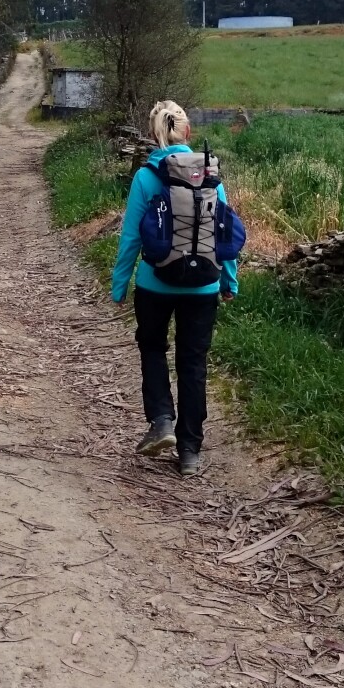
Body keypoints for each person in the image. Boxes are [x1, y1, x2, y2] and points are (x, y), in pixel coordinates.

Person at [111, 99, 238, 472]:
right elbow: (222, 235)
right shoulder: (211, 174)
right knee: (193, 362)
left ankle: (161, 419)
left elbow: (131, 238)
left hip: (154, 283)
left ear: (155, 135)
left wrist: (120, 285)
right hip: (203, 287)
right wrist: (228, 280)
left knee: (152, 347)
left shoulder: (146, 176)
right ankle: (190, 451)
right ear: (188, 132)